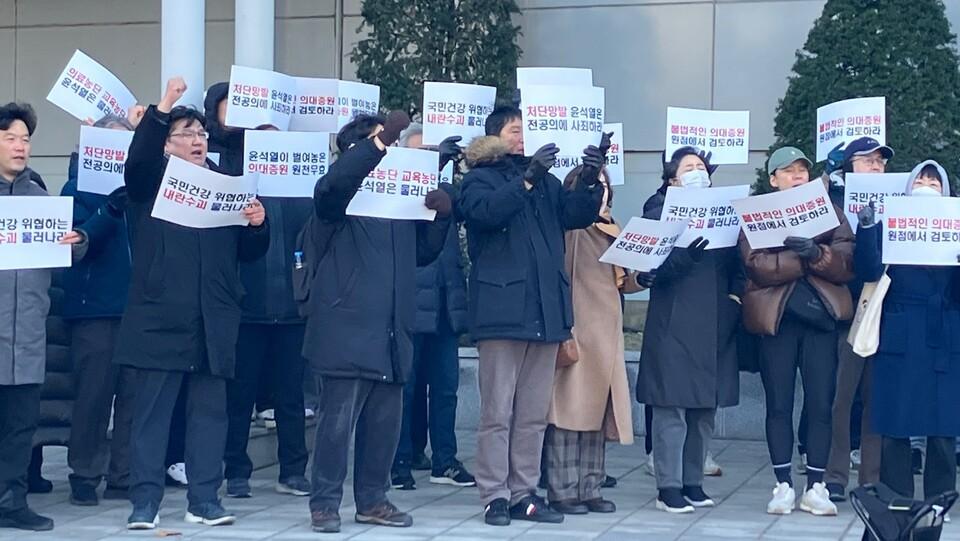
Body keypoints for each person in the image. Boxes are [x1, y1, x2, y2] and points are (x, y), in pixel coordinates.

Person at [115, 77, 269, 530]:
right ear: (167, 144)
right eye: (186, 134)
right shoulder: (151, 182)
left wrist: (257, 224)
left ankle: (204, 499)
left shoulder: (226, 183)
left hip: (213, 316)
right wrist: (163, 106)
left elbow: (249, 253)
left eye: (201, 133)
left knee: (209, 415)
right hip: (160, 315)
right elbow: (137, 161)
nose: (198, 140)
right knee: (152, 416)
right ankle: (145, 502)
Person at [305, 112, 453, 534]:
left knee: (384, 425)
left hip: (392, 325)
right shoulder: (339, 199)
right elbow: (332, 187)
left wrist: (442, 216)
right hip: (345, 326)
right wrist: (379, 143)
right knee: (336, 424)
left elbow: (423, 254)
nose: (388, 149)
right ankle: (324, 503)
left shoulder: (396, 202)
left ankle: (373, 499)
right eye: (378, 143)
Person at [459, 106, 605, 526]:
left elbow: (575, 216)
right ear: (495, 137)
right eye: (514, 130)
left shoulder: (548, 182)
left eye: (527, 130)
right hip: (501, 310)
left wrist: (590, 178)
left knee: (532, 413)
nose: (523, 137)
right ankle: (494, 494)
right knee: (498, 411)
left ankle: (524, 491)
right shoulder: (479, 179)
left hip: (545, 310)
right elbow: (485, 213)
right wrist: (527, 178)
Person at [208, 89, 313, 500]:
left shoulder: (303, 189)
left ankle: (294, 470)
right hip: (247, 306)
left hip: (291, 308)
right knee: (240, 396)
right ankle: (236, 470)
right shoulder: (238, 185)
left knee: (290, 396)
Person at [740, 146, 854, 516]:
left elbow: (846, 261)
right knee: (779, 403)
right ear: (773, 179)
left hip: (820, 319)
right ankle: (783, 484)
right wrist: (803, 257)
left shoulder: (830, 212)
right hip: (777, 320)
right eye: (788, 171)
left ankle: (816, 485)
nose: (797, 176)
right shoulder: (757, 212)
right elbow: (756, 265)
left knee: (821, 402)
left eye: (802, 169)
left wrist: (818, 254)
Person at [637, 147, 743, 514]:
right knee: (672, 407)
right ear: (672, 179)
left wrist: (735, 299)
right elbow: (651, 269)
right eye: (688, 167)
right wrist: (685, 256)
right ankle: (668, 486)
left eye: (701, 167)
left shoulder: (725, 210)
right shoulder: (658, 209)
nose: (697, 172)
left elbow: (739, 263)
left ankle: (693, 481)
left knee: (703, 410)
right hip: (674, 320)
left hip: (715, 320)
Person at [0, 102, 87, 532]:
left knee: (21, 427)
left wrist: (77, 241)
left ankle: (11, 502)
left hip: (29, 334)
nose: (20, 146)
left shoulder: (39, 199)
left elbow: (62, 259)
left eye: (25, 139)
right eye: (10, 138)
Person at [854, 160, 960, 501]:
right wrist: (867, 228)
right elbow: (868, 272)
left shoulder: (956, 227)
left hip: (944, 334)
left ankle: (938, 503)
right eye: (921, 180)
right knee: (895, 423)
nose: (926, 186)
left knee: (943, 428)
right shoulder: (889, 226)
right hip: (900, 331)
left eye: (934, 181)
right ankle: (897, 501)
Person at [544, 163, 638, 515]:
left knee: (598, 413)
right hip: (579, 328)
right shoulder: (574, 229)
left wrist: (643, 278)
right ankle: (563, 490)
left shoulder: (614, 225)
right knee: (569, 413)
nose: (602, 189)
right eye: (594, 183)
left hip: (607, 332)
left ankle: (591, 487)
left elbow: (622, 280)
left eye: (605, 183)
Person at [60, 113, 140, 506]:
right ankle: (84, 473)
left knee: (133, 397)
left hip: (138, 309)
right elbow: (75, 247)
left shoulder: (142, 189)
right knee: (93, 396)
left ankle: (123, 474)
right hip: (94, 309)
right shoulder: (76, 188)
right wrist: (109, 210)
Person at [391, 124, 475, 491]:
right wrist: (432, 167)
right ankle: (399, 461)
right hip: (411, 304)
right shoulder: (396, 190)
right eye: (420, 153)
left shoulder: (447, 192)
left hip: (446, 302)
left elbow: (465, 208)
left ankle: (445, 459)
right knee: (405, 389)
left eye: (432, 153)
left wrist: (452, 171)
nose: (427, 159)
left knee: (445, 389)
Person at [821, 136, 892, 501]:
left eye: (880, 160)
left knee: (875, 401)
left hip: (886, 311)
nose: (875, 165)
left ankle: (870, 480)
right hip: (848, 311)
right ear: (848, 167)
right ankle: (834, 476)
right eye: (866, 160)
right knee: (841, 398)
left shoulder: (899, 203)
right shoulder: (832, 204)